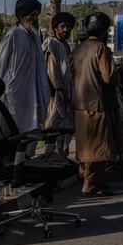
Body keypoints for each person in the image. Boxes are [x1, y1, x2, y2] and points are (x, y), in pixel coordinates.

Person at [71, 12, 123, 196]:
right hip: (99, 106)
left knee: (86, 146)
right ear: (103, 31)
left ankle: (94, 181)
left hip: (80, 105)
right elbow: (109, 77)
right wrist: (117, 76)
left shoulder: (77, 49)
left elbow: (72, 75)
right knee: (100, 147)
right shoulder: (101, 49)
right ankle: (90, 184)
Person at [0, 0, 50, 156]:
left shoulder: (34, 37)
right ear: (21, 15)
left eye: (36, 15)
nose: (34, 18)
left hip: (32, 92)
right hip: (14, 94)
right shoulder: (13, 35)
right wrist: (1, 90)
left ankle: (25, 164)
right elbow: (0, 64)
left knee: (32, 129)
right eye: (31, 15)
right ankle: (12, 166)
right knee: (15, 132)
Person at [43, 12, 76, 158]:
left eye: (68, 27)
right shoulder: (52, 43)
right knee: (53, 127)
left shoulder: (65, 45)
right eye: (62, 26)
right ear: (55, 28)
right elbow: (52, 69)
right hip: (57, 94)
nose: (65, 30)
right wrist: (60, 90)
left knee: (65, 127)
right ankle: (52, 159)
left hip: (66, 93)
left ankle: (62, 159)